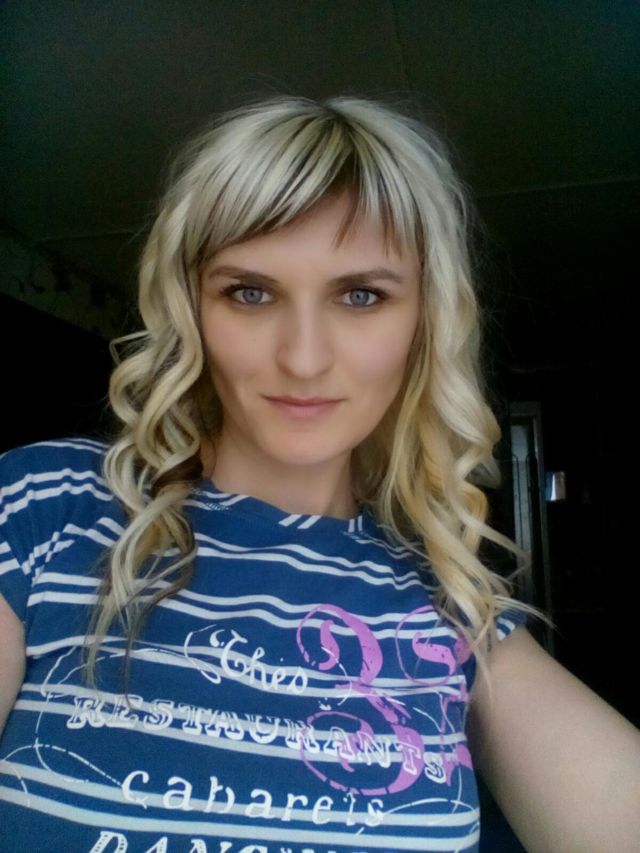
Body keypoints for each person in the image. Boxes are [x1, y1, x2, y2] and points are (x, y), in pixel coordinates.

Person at [0, 93, 638, 853]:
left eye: (361, 295)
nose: (303, 358)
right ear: (192, 308)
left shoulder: (451, 605)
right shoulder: (47, 505)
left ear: (424, 320)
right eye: (250, 292)